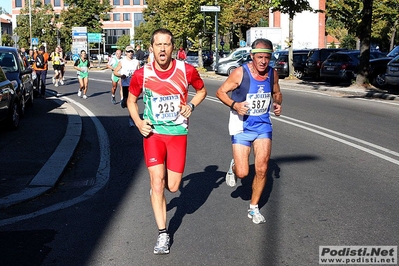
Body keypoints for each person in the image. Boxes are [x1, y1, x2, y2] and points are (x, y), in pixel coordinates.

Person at [127, 28, 207, 255]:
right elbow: (131, 101)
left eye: (167, 44)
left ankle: (158, 190)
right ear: (151, 48)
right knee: (157, 182)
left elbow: (201, 91)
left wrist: (190, 105)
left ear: (173, 48)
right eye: (158, 45)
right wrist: (139, 122)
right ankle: (163, 233)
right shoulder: (142, 74)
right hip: (153, 134)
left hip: (177, 134)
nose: (162, 49)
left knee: (172, 186)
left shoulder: (187, 70)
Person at [215, 38, 282, 224]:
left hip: (263, 126)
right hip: (241, 125)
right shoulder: (239, 73)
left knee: (262, 169)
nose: (263, 61)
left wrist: (277, 104)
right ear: (251, 56)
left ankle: (253, 208)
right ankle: (234, 166)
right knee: (243, 173)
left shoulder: (272, 74)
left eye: (266, 58)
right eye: (259, 57)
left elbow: (277, 93)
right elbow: (220, 92)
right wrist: (235, 105)